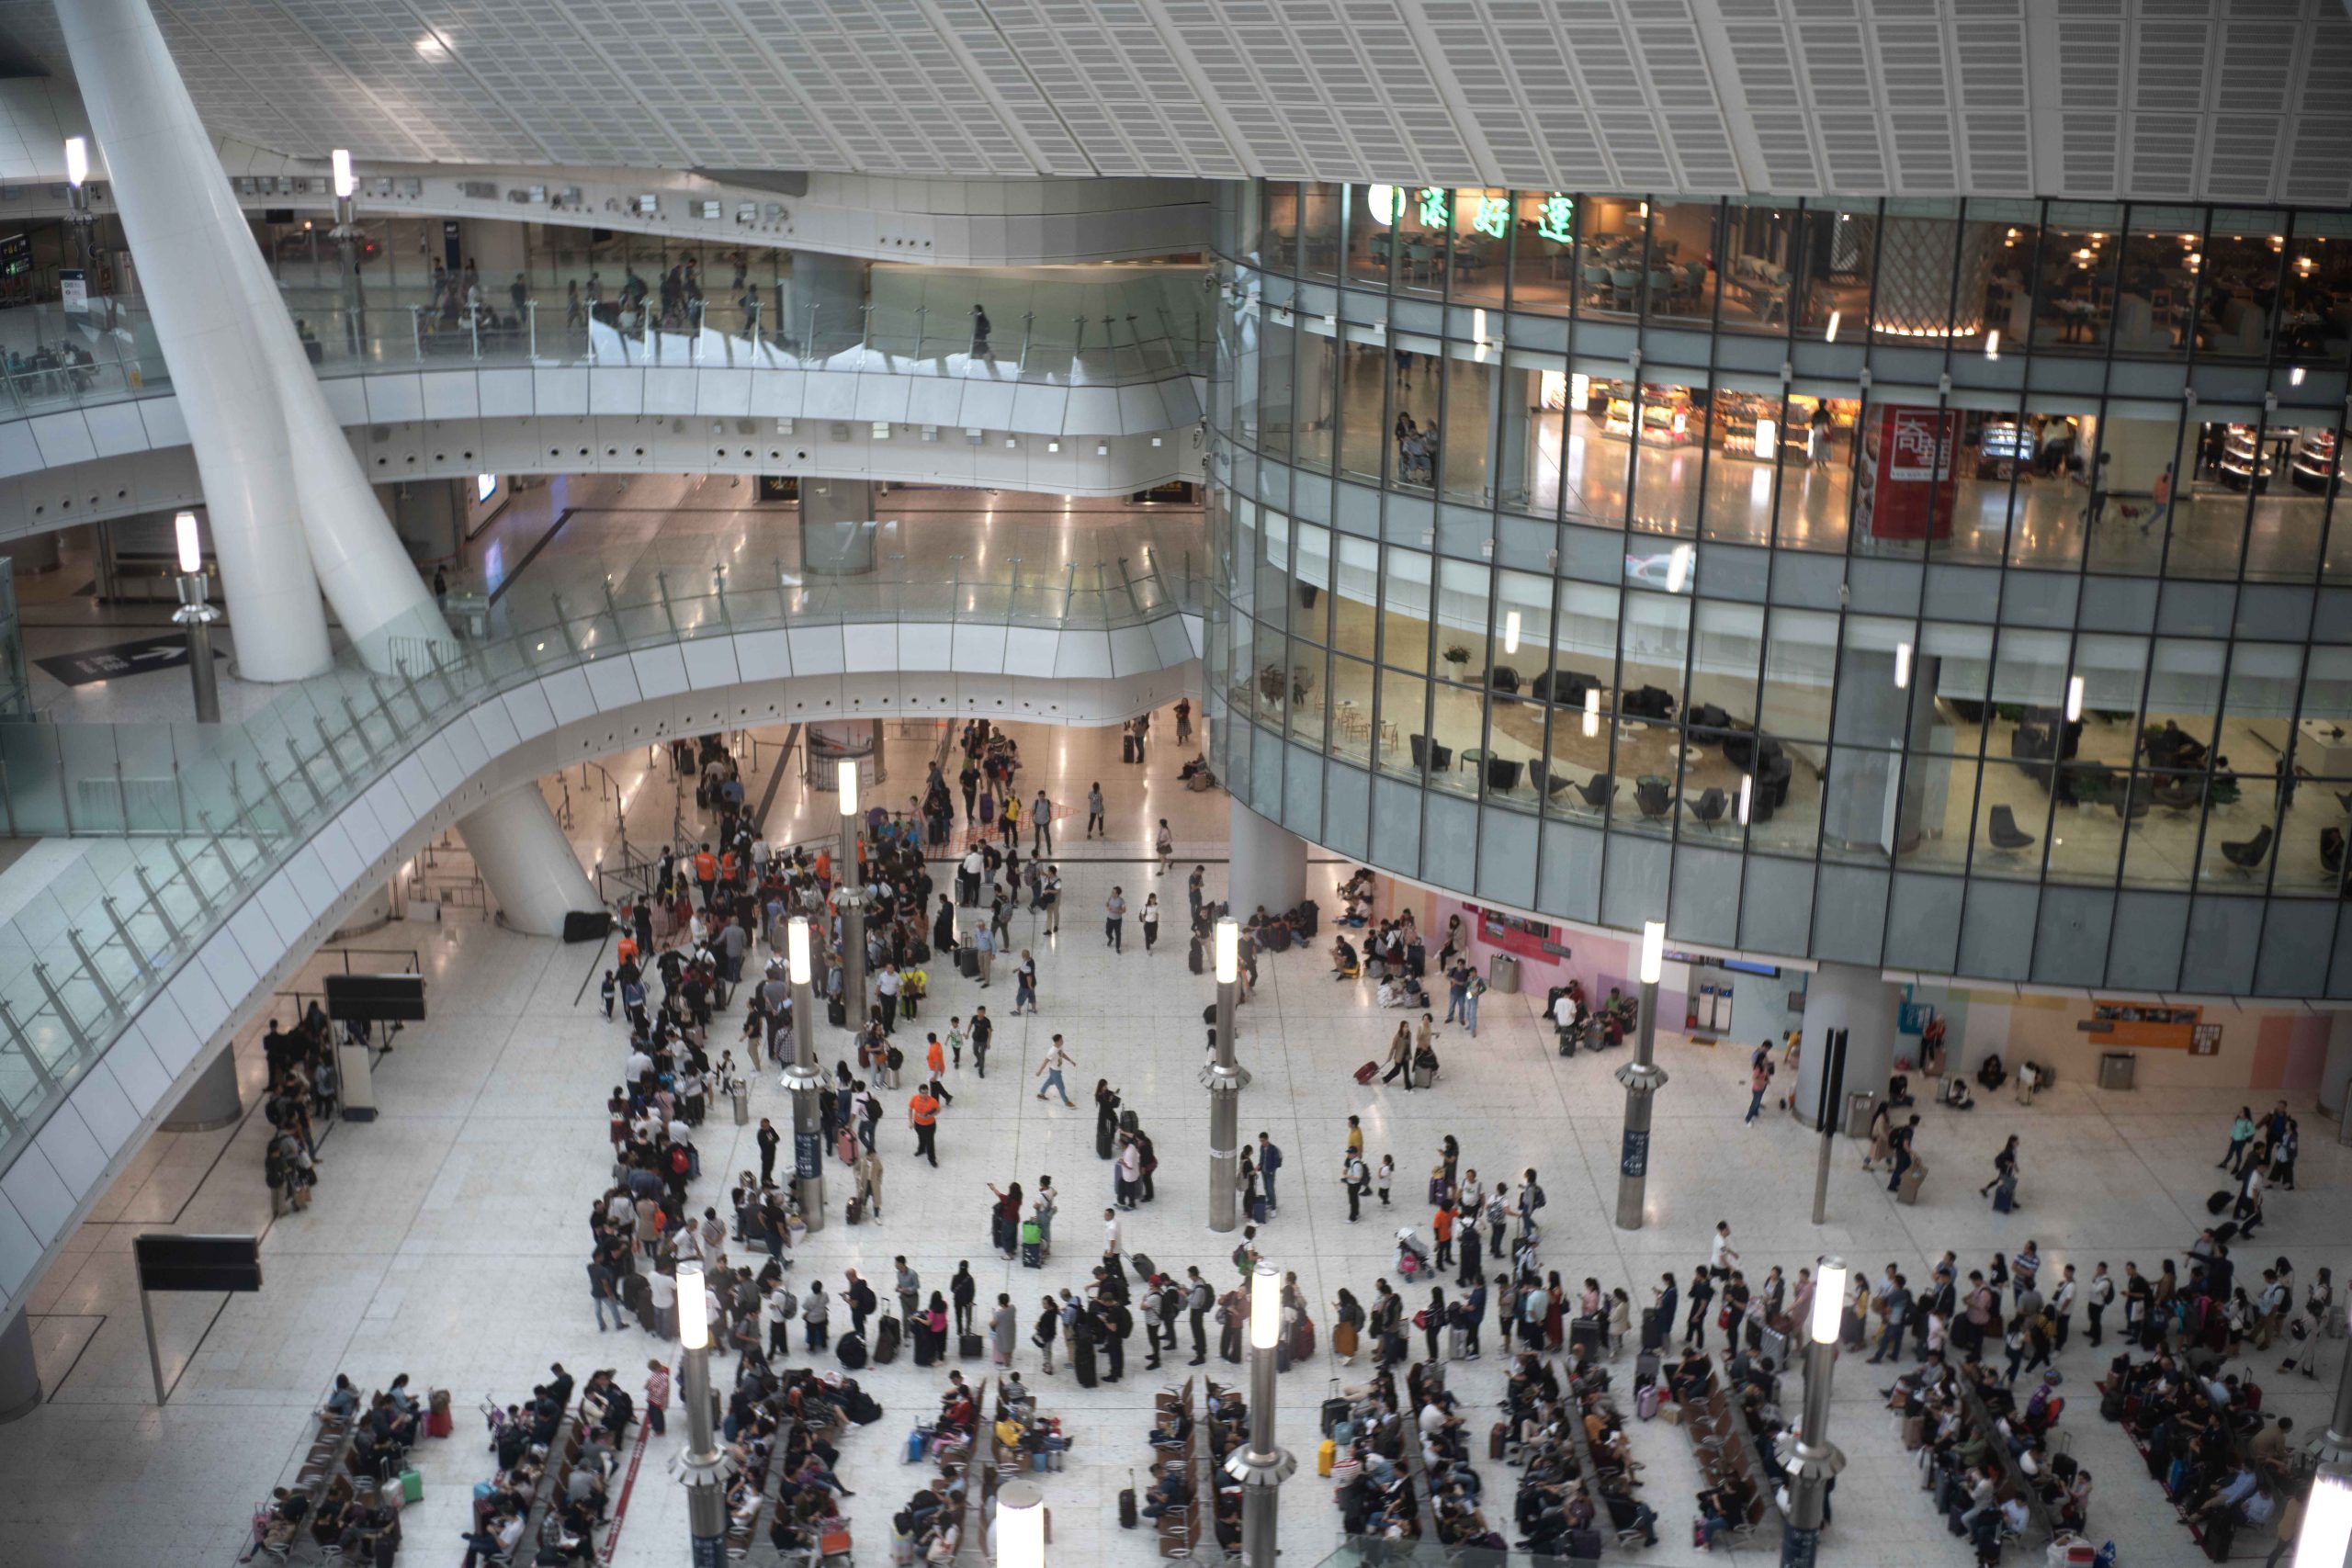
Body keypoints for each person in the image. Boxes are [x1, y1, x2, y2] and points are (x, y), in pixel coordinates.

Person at [1036, 1037, 1076, 1106]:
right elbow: (1045, 1062)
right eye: (1061, 1040)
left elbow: (1062, 1054)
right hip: (1055, 1072)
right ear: (1057, 1042)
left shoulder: (1060, 1046)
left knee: (1049, 1082)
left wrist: (1071, 1061)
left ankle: (1041, 1094)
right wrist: (1040, 1071)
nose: (1063, 1041)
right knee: (1061, 1087)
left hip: (1054, 1070)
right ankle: (1066, 1102)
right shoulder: (1052, 1051)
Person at [909, 1083, 941, 1167]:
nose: (925, 1095)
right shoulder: (914, 1099)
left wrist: (930, 1115)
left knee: (930, 1142)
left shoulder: (933, 1101)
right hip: (918, 1124)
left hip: (930, 1125)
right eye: (923, 1093)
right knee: (921, 1137)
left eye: (926, 1093)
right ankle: (921, 1150)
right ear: (919, 1092)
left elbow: (938, 1110)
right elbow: (910, 1109)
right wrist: (910, 1121)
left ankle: (932, 1159)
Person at [1104, 887, 1126, 952]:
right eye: (1112, 892)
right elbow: (1107, 903)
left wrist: (1116, 910)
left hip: (1117, 920)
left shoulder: (1121, 901)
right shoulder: (1110, 897)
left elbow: (1124, 910)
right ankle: (1111, 938)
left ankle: (1118, 947)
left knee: (1118, 934)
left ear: (1117, 894)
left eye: (1113, 892)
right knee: (1107, 932)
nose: (1112, 893)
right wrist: (1107, 906)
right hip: (1110, 919)